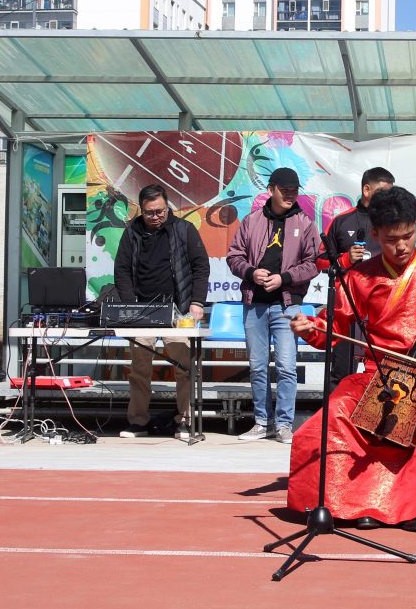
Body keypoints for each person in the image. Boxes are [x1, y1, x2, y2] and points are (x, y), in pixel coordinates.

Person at [287, 186, 416, 531]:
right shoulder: (360, 277)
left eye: (408, 236)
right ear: (376, 233)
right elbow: (332, 329)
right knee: (334, 414)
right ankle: (355, 503)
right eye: (392, 239)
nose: (402, 246)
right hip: (376, 374)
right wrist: (310, 328)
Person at [225, 167, 321, 443]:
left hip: (287, 306)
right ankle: (261, 422)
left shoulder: (305, 223)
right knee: (257, 366)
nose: (290, 196)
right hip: (254, 304)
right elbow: (234, 256)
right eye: (285, 191)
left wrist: (284, 278)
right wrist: (251, 272)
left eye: (294, 191)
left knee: (286, 366)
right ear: (271, 190)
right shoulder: (252, 220)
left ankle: (284, 424)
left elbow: (314, 263)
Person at [112, 184, 210, 441]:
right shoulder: (131, 233)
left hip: (179, 312)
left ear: (168, 207)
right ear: (140, 210)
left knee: (185, 367)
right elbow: (122, 270)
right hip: (142, 312)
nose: (155, 217)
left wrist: (197, 302)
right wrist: (130, 305)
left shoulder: (184, 229)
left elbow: (201, 266)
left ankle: (185, 421)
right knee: (139, 368)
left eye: (160, 211)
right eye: (149, 213)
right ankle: (138, 422)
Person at [323, 166, 395, 386]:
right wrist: (346, 259)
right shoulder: (342, 221)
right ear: (366, 190)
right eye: (383, 192)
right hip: (347, 307)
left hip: (382, 308)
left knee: (384, 373)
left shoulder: (393, 223)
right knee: (341, 373)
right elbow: (319, 261)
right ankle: (337, 409)